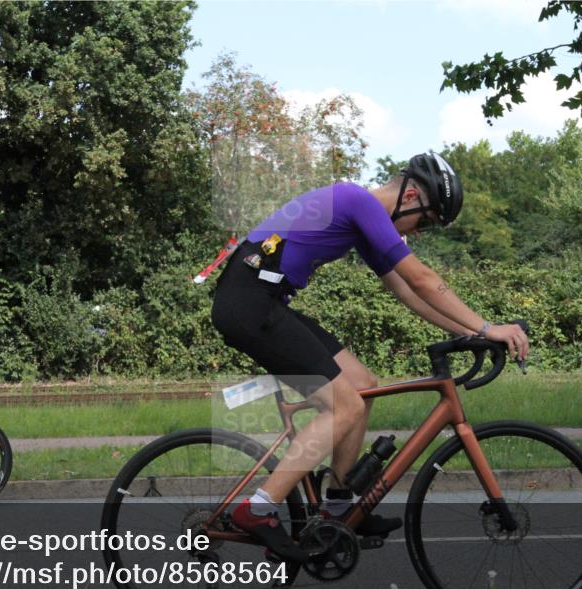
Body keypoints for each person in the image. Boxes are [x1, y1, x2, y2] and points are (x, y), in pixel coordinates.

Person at [211, 151, 529, 562]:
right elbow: (423, 279)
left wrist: (469, 333)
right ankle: (258, 509)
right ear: (411, 195)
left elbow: (407, 291)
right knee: (341, 406)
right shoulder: (356, 200)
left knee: (362, 386)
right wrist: (488, 327)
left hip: (264, 300)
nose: (420, 231)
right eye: (425, 220)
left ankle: (339, 509)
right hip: (250, 303)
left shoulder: (362, 219)